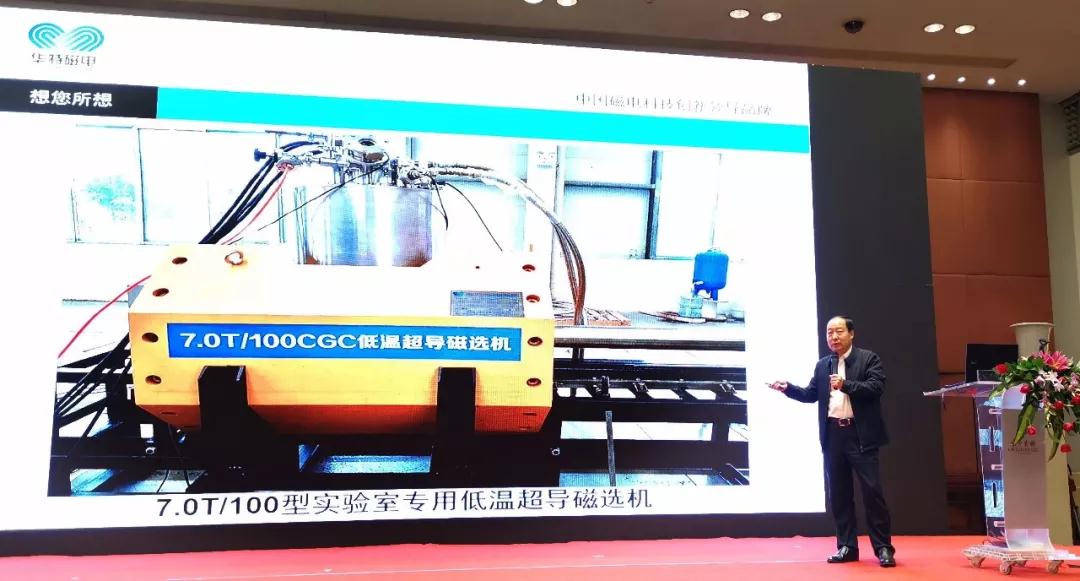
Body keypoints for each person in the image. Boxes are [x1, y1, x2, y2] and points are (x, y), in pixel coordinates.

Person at [769, 316, 896, 568]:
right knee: (839, 494)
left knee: (872, 493)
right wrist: (788, 388)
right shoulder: (822, 365)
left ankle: (883, 548)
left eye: (838, 331)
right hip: (833, 436)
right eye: (829, 333)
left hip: (861, 435)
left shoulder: (868, 359)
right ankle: (847, 546)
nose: (834, 337)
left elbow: (876, 388)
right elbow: (810, 394)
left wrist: (845, 384)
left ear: (851, 333)